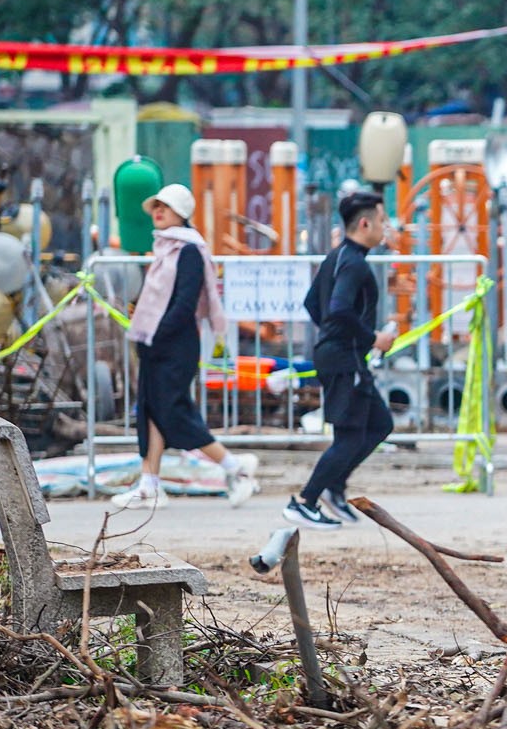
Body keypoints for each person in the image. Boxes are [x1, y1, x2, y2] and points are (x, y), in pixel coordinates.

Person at [112, 183, 257, 511]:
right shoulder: (165, 247)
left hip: (175, 342)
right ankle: (149, 485)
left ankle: (237, 467)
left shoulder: (189, 250)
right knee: (150, 409)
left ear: (182, 212)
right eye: (156, 207)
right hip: (156, 340)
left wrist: (158, 334)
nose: (158, 211)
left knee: (173, 412)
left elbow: (184, 302)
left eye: (166, 206)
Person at [284, 189, 398, 529]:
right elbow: (338, 309)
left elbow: (312, 304)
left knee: (380, 424)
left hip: (342, 355)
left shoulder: (337, 256)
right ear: (365, 223)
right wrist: (371, 338)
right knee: (349, 436)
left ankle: (334, 487)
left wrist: (335, 335)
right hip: (345, 359)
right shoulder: (354, 263)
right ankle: (305, 500)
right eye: (381, 221)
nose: (385, 228)